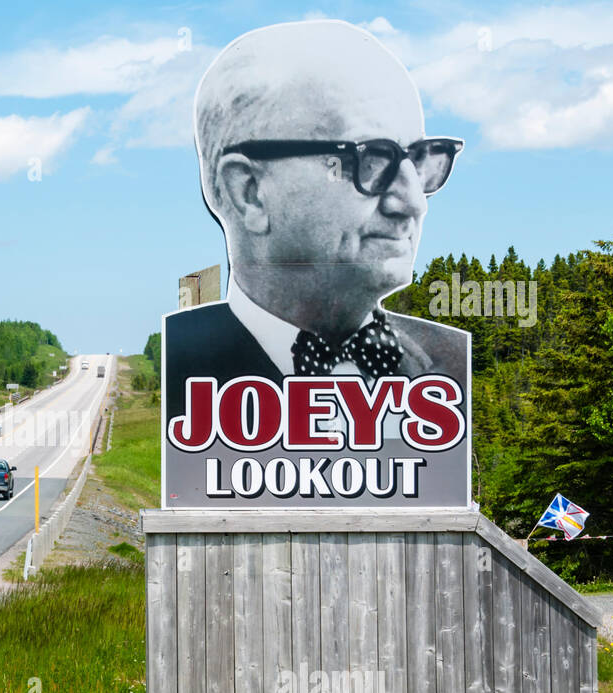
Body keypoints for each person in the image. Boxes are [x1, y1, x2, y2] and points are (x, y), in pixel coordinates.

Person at [166, 19, 469, 406]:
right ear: (249, 192)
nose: (413, 202)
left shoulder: (453, 364)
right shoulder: (175, 372)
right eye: (371, 159)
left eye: (421, 158)